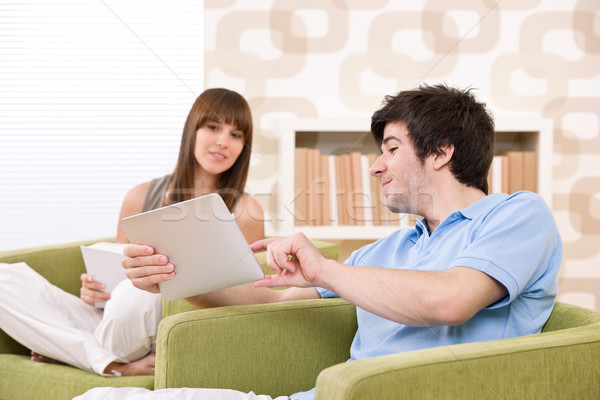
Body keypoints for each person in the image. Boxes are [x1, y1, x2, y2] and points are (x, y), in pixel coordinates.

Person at [77, 84, 561, 399]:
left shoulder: (516, 214)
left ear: (442, 152)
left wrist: (326, 268)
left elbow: (450, 300)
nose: (375, 166)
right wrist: (175, 274)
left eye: (391, 150)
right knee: (101, 398)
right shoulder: (383, 253)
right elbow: (269, 301)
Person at [0, 88, 264, 377]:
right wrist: (95, 292)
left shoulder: (245, 211)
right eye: (213, 126)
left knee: (147, 282)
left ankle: (84, 356)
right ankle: (106, 361)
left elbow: (245, 301)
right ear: (192, 129)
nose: (223, 141)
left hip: (163, 326)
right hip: (114, 323)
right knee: (5, 280)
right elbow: (118, 278)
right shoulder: (139, 196)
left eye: (236, 135)